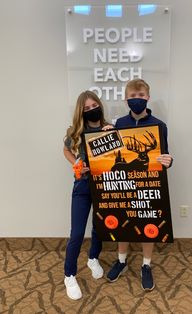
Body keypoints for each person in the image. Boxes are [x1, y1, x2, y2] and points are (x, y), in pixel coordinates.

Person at [106, 79, 173, 291]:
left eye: (141, 96)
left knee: (147, 225)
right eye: (133, 97)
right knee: (124, 223)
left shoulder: (159, 125)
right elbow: (111, 156)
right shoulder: (119, 125)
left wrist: (169, 161)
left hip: (148, 185)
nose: (137, 100)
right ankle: (122, 261)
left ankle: (146, 265)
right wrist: (105, 135)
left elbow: (164, 156)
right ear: (126, 99)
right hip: (124, 185)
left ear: (148, 98)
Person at [64, 90, 110, 300]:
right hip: (82, 186)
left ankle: (93, 258)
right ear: (81, 112)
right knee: (77, 233)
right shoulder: (76, 131)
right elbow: (65, 149)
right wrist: (76, 162)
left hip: (104, 185)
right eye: (87, 108)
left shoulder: (110, 127)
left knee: (99, 227)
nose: (92, 111)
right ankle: (69, 274)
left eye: (94, 106)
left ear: (99, 105)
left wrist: (114, 134)